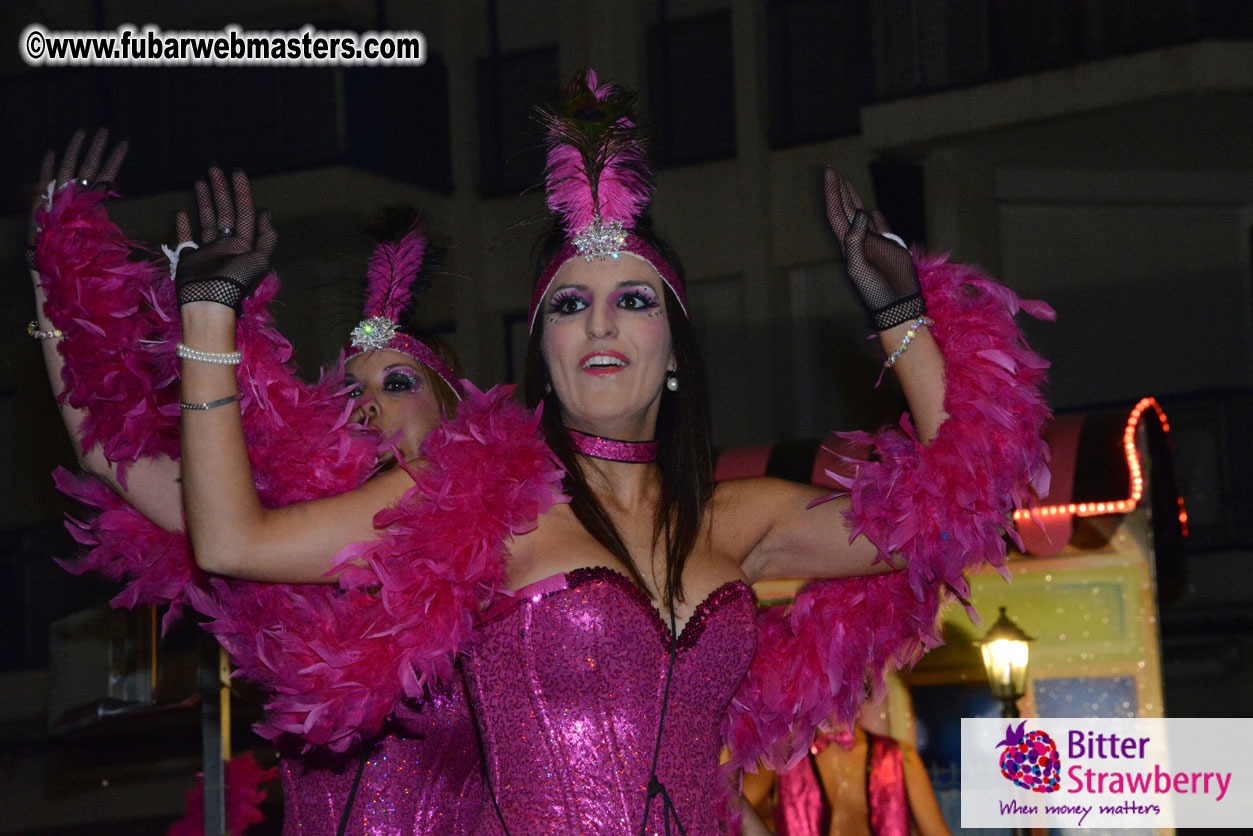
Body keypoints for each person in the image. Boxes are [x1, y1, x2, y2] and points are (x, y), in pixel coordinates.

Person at [166, 67, 1049, 835]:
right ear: (543, 357)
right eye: (567, 304)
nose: (597, 320)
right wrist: (209, 315)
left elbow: (967, 507)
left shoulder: (741, 519)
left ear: (674, 349)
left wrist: (902, 323)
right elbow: (232, 542)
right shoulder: (472, 500)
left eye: (632, 300)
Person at [28, 130, 510, 835]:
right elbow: (111, 459)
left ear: (456, 414)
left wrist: (208, 321)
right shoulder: (280, 538)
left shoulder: (485, 522)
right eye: (349, 391)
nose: (367, 403)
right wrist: (54, 277)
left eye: (397, 383)